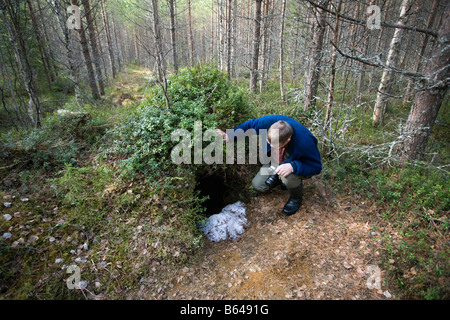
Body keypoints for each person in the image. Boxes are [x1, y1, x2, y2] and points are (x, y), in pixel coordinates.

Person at [217, 115, 322, 216]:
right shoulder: (271, 122)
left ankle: (296, 197)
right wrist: (229, 136)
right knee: (258, 185)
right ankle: (277, 177)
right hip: (275, 161)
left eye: (276, 145)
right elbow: (250, 125)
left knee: (288, 178)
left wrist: (293, 166)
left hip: (293, 162)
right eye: (269, 142)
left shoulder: (305, 143)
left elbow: (316, 167)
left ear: (288, 140)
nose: (271, 146)